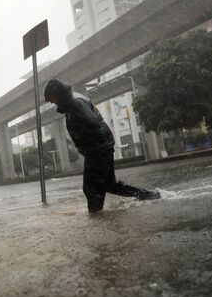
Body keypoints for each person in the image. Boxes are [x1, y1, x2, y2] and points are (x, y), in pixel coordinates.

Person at [44, 78, 160, 214]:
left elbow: (91, 123)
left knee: (91, 188)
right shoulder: (71, 102)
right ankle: (148, 196)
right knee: (109, 184)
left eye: (52, 98)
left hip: (98, 147)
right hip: (101, 145)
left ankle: (96, 217)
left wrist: (88, 148)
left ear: (59, 94)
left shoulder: (75, 103)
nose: (53, 102)